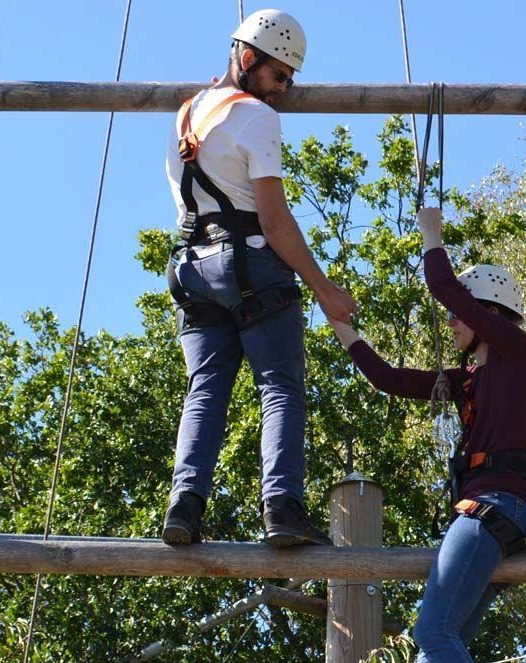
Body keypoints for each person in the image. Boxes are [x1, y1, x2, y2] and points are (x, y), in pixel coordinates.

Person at [326, 207, 526, 663]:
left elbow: (448, 291)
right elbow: (390, 379)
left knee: (435, 632)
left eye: (460, 318)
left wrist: (432, 237)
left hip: (496, 507)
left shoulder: (521, 356)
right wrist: (345, 330)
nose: (451, 324)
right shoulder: (470, 380)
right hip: (488, 512)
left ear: (486, 315)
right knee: (429, 650)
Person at [161, 9, 357, 548]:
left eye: (290, 80)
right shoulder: (257, 117)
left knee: (204, 389)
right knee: (279, 387)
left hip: (192, 269)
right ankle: (281, 508)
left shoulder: (187, 114)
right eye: (278, 76)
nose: (284, 90)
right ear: (246, 60)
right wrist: (326, 290)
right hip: (250, 265)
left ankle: (185, 504)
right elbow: (274, 221)